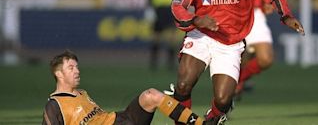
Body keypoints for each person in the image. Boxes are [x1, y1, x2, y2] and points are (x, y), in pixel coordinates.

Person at [171, 0, 304, 124]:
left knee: (223, 100)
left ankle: (214, 117)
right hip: (201, 35)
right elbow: (177, 7)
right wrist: (196, 20)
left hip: (230, 42)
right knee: (183, 85)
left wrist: (286, 15)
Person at [42, 50, 212, 125]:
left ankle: (201, 124)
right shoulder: (55, 105)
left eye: (77, 67)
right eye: (71, 68)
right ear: (59, 74)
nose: (77, 71)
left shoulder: (81, 93)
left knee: (150, 95)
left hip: (120, 119)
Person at [149, 0, 181, 70]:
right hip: (159, 8)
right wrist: (150, 7)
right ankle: (154, 62)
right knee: (156, 36)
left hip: (170, 8)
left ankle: (170, 63)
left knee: (172, 36)